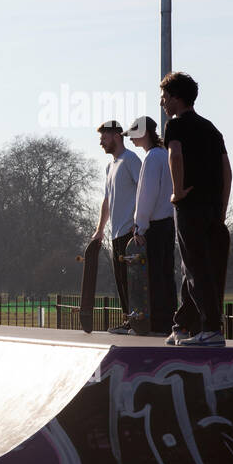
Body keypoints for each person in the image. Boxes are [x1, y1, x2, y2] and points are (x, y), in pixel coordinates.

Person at [161, 72, 231, 347]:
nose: (163, 102)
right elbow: (227, 170)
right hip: (213, 208)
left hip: (190, 205)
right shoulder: (211, 128)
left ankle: (212, 328)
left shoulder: (175, 125)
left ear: (176, 98)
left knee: (195, 266)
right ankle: (183, 325)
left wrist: (177, 192)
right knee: (198, 265)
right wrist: (223, 209)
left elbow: (174, 155)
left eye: (165, 97)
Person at [126, 116, 176, 336]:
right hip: (169, 222)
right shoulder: (165, 155)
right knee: (167, 275)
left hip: (154, 225)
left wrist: (140, 226)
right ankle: (169, 322)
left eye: (134, 134)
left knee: (152, 277)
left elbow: (147, 195)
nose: (131, 139)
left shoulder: (152, 158)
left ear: (143, 133)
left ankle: (156, 323)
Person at [90, 120, 142, 334]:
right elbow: (107, 200)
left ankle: (138, 322)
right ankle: (129, 321)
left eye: (104, 137)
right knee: (120, 280)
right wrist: (100, 229)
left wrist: (139, 223)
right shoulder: (110, 166)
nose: (101, 142)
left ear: (116, 136)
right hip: (116, 232)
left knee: (133, 281)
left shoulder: (131, 160)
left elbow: (144, 190)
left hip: (131, 231)